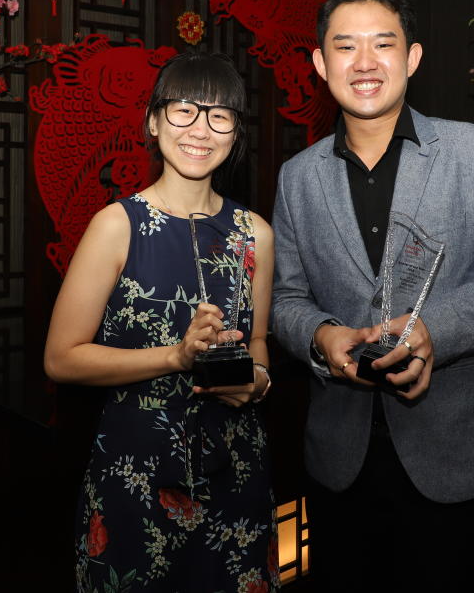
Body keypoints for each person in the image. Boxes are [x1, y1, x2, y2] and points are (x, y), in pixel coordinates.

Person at [270, 0, 474, 590]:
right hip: (338, 460)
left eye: (384, 43)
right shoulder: (298, 177)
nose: (365, 61)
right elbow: (285, 297)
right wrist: (320, 336)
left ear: (414, 56)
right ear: (320, 64)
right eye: (345, 46)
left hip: (456, 452)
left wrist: (438, 330)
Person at [45, 50, 280, 593]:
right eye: (183, 110)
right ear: (153, 121)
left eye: (220, 115)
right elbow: (61, 358)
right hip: (136, 474)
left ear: (234, 134)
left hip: (235, 473)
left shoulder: (255, 235)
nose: (201, 128)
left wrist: (258, 382)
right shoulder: (116, 225)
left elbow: (261, 341)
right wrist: (175, 357)